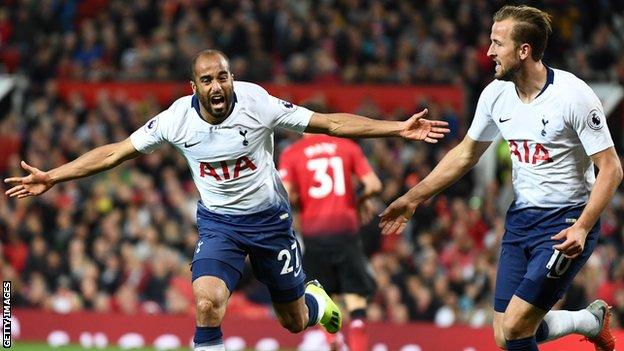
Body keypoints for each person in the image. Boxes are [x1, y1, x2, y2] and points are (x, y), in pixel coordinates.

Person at [4, 49, 450, 351]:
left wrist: (395, 127)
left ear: (231, 78)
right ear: (193, 86)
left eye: (222, 76)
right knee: (206, 302)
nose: (217, 86)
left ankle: (317, 301)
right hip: (219, 225)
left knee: (293, 322)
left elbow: (329, 123)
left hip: (271, 222)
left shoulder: (257, 103)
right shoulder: (176, 119)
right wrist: (54, 177)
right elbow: (115, 151)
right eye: (206, 80)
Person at [379, 5, 620, 351]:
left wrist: (582, 226)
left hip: (565, 221)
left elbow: (611, 168)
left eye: (497, 43)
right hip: (521, 219)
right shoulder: (495, 94)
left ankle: (587, 320)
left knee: (518, 326)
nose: (488, 51)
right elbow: (465, 154)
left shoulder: (573, 96)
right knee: (504, 336)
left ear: (524, 51)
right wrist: (412, 198)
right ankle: (588, 321)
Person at [279, 133, 381, 351]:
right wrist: (360, 201)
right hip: (346, 234)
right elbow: (373, 184)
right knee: (356, 300)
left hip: (314, 236)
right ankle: (357, 338)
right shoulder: (347, 146)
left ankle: (332, 340)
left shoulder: (292, 153)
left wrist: (298, 203)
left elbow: (284, 195)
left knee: (323, 296)